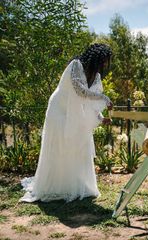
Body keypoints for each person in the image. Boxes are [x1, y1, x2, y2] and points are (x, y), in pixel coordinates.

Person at [20, 43, 113, 202]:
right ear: (95, 58)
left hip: (75, 112)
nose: (104, 64)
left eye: (106, 61)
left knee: (77, 146)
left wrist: (100, 117)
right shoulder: (76, 65)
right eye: (103, 60)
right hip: (59, 110)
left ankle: (77, 185)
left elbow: (89, 101)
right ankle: (58, 187)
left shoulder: (95, 76)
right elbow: (80, 91)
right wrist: (104, 99)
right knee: (61, 146)